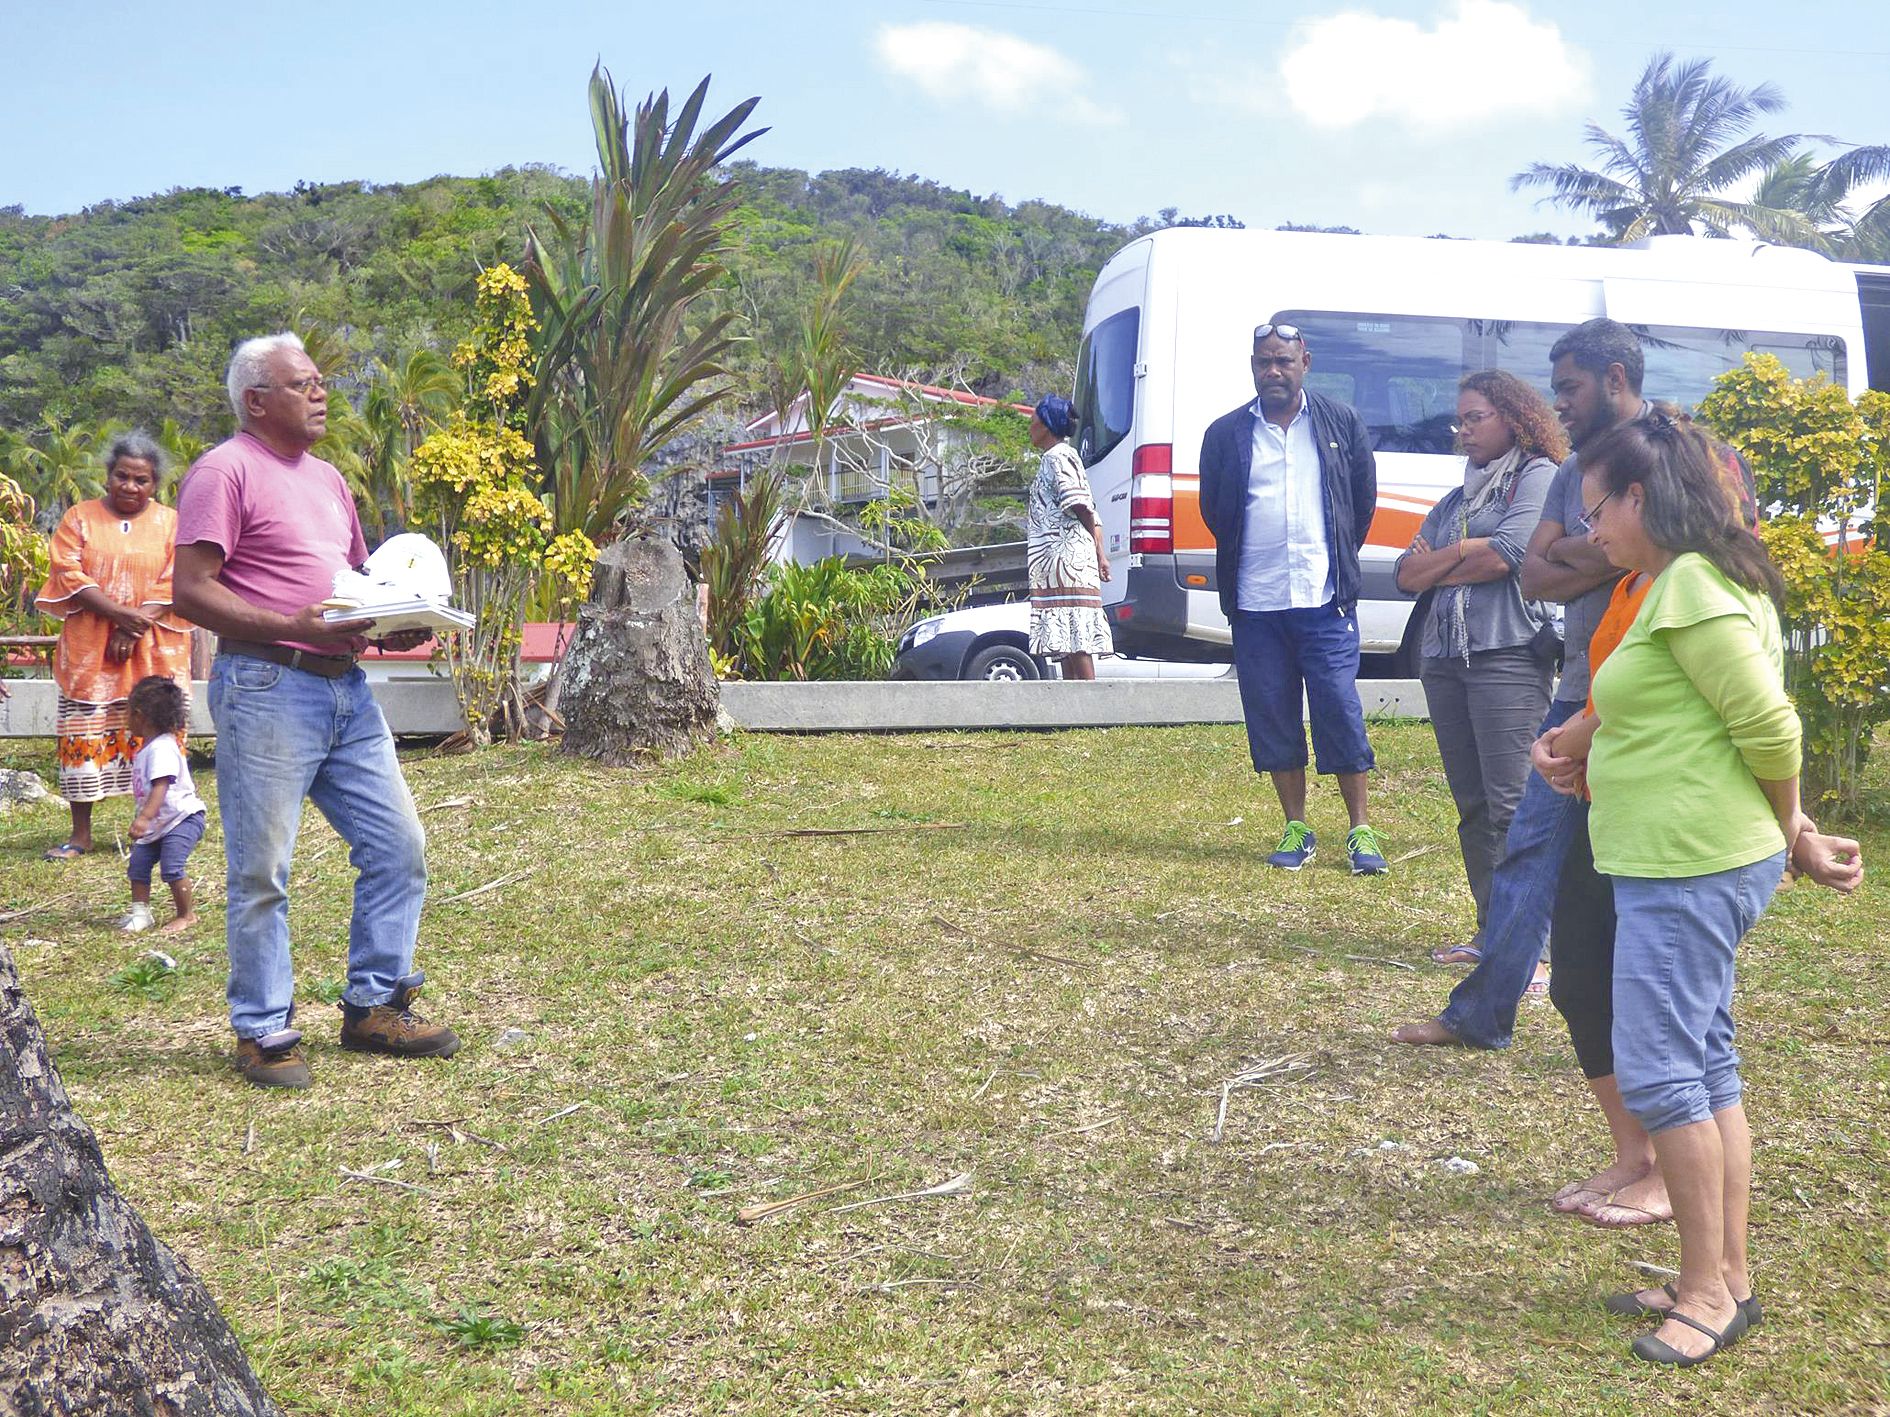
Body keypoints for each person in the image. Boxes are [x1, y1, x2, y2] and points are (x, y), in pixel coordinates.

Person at [1563, 411, 1861, 1366]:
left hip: (1690, 864)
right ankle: (1725, 1274)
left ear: (1640, 497)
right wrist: (1583, 747)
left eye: (1598, 509)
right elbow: (1674, 714)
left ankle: (1705, 1292)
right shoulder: (1678, 582)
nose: (1592, 530)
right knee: (1705, 1063)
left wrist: (1793, 830)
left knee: (1663, 1073)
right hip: (1675, 856)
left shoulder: (1691, 585)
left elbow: (1770, 730)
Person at [173, 331, 459, 1090]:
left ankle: (374, 1005)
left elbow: (354, 583)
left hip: (345, 689)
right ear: (257, 400)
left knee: (399, 846)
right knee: (263, 867)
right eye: (303, 383)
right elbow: (191, 590)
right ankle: (263, 1030)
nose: (320, 391)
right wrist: (288, 624)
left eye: (320, 380)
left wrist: (405, 615)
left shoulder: (329, 479)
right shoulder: (223, 470)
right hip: (268, 684)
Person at [1392, 319, 1646, 1056]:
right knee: (1530, 841)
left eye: (1569, 385)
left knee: (1622, 857)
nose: (1558, 401)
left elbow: (1525, 556)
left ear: (1615, 379)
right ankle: (1483, 1011)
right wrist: (1614, 545)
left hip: (1651, 683)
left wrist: (1577, 548)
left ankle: (1653, 1028)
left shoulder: (1667, 450)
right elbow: (1534, 570)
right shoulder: (1568, 473)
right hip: (1578, 682)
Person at [1199, 321, 1387, 875]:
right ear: (1252, 366)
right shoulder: (1225, 434)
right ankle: (1297, 827)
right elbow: (1217, 511)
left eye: (1283, 361)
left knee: (1339, 707)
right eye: (1264, 362)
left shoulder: (1339, 423)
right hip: (1256, 603)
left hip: (1323, 599)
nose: (1273, 372)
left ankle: (1360, 830)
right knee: (1272, 714)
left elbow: (1361, 502)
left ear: (1305, 361)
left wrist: (1337, 559)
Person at [1394, 371, 1564, 970]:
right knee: (1472, 804)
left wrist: (1454, 554)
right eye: (1459, 421)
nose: (1462, 431)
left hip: (1506, 655)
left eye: (1475, 419)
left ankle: (1534, 948)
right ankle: (1494, 934)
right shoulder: (1459, 498)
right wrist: (1468, 550)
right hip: (1444, 657)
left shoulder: (1537, 477)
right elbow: (1404, 576)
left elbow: (1510, 557)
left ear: (1514, 417)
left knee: (1514, 803)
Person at [34, 434, 193, 860]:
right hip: (91, 653)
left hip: (155, 648)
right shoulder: (79, 518)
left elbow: (176, 578)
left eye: (140, 479)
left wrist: (133, 626)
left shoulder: (173, 523)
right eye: (121, 475)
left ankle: (161, 825)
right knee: (83, 735)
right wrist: (119, 616)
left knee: (159, 736)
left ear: (154, 483)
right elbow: (68, 573)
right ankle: (80, 835)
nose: (129, 485)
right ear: (107, 476)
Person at [1024, 395, 1112, 680]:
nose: (1030, 424)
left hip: (1068, 562)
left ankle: (1089, 707)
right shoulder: (1057, 457)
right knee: (1067, 638)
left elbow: (1082, 506)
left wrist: (1100, 554)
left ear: (1047, 424)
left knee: (1076, 637)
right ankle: (1073, 710)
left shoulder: (1058, 456)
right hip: (1061, 563)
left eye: (1035, 418)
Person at [119, 675, 205, 935]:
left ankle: (186, 915)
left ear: (140, 716)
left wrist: (144, 818)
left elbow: (161, 786)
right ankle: (141, 913)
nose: (125, 719)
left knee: (172, 866)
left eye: (127, 713)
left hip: (181, 819)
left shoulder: (161, 749)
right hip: (158, 823)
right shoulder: (148, 748)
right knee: (138, 867)